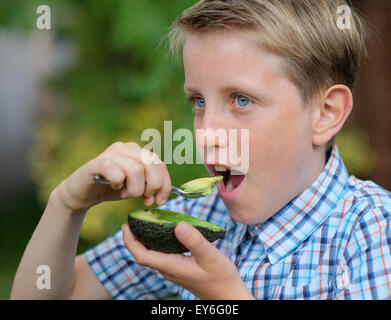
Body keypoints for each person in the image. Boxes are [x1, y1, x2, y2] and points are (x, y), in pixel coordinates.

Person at [11, 0, 391, 300]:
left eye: (241, 100)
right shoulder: (195, 215)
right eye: (198, 101)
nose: (206, 133)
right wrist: (67, 204)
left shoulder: (371, 231)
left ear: (325, 114)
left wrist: (225, 297)